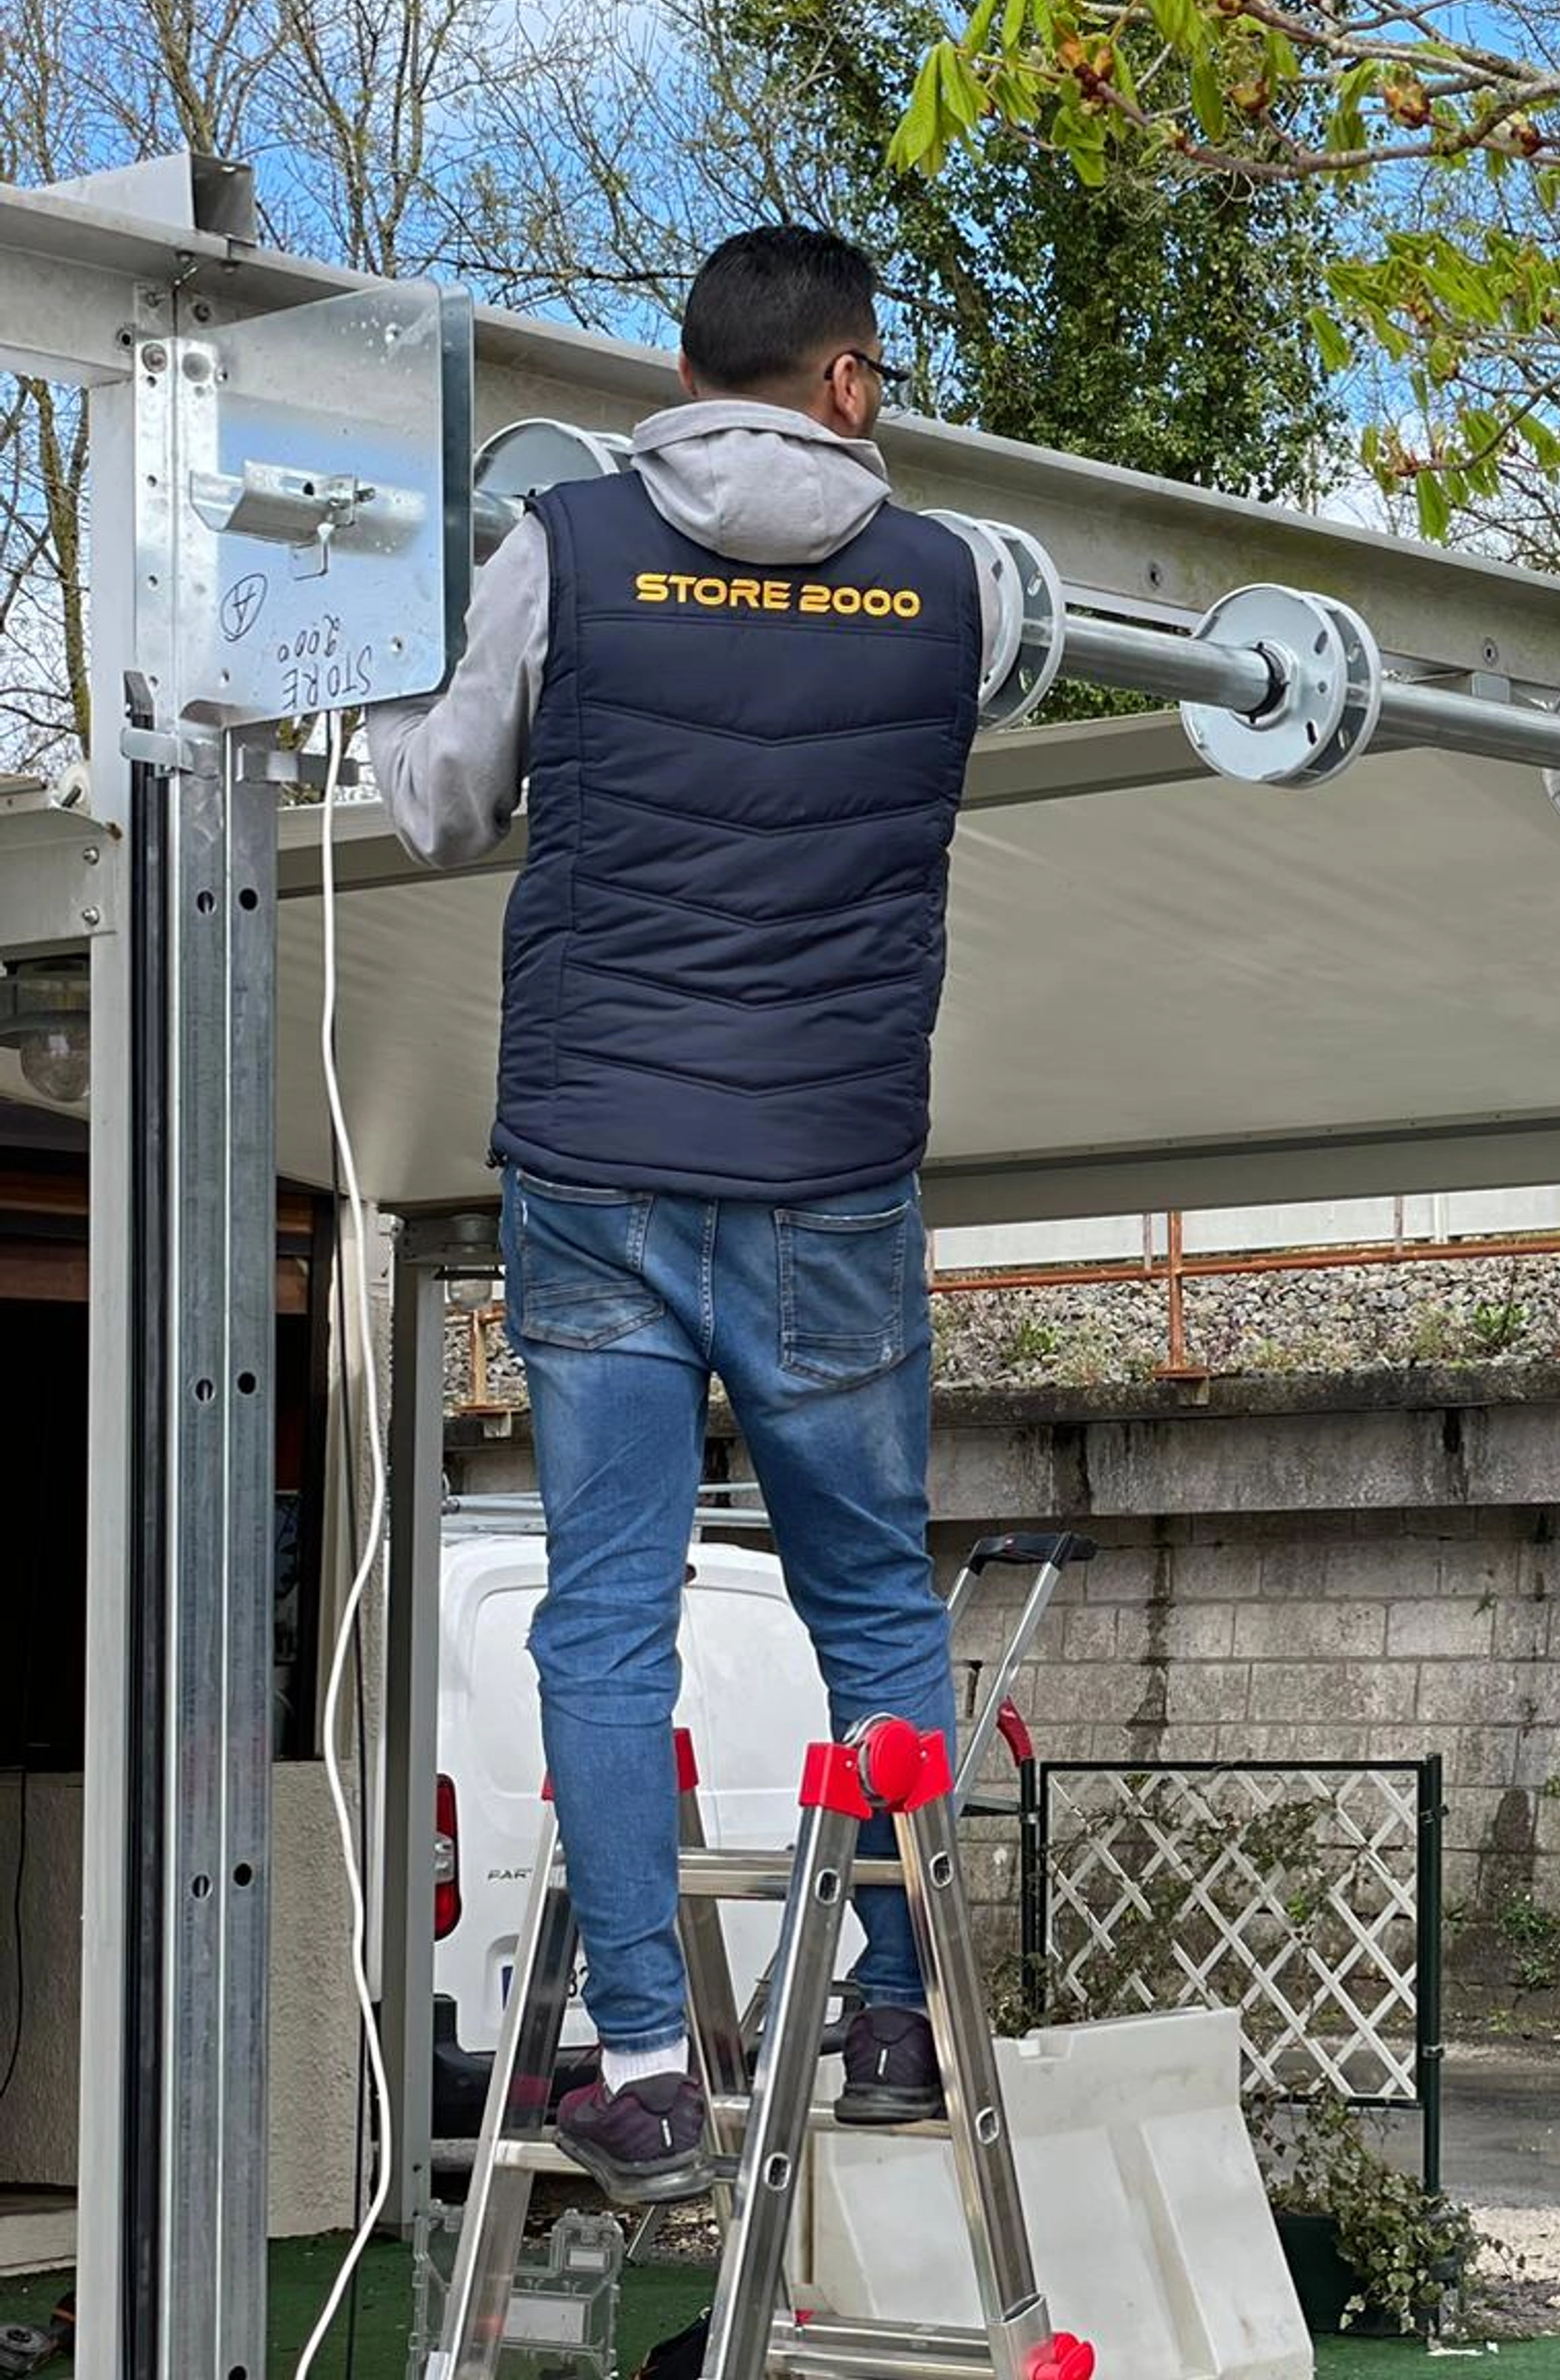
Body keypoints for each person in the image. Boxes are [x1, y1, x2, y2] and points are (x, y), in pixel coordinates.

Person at [365, 226, 1003, 2202]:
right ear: (849, 379)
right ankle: (897, 2011)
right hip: (828, 1177)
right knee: (875, 1597)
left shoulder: (557, 545)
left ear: (681, 368)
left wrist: (384, 683)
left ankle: (640, 2061)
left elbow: (439, 807)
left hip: (603, 1176)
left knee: (609, 1619)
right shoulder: (953, 586)